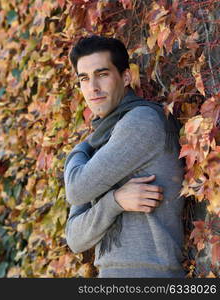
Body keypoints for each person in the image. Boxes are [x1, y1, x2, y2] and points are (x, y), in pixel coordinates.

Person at [64, 35, 185, 278]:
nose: (93, 87)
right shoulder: (101, 141)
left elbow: (76, 189)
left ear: (126, 76)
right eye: (84, 79)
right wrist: (115, 201)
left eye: (103, 74)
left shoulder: (141, 121)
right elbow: (75, 238)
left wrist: (77, 149)